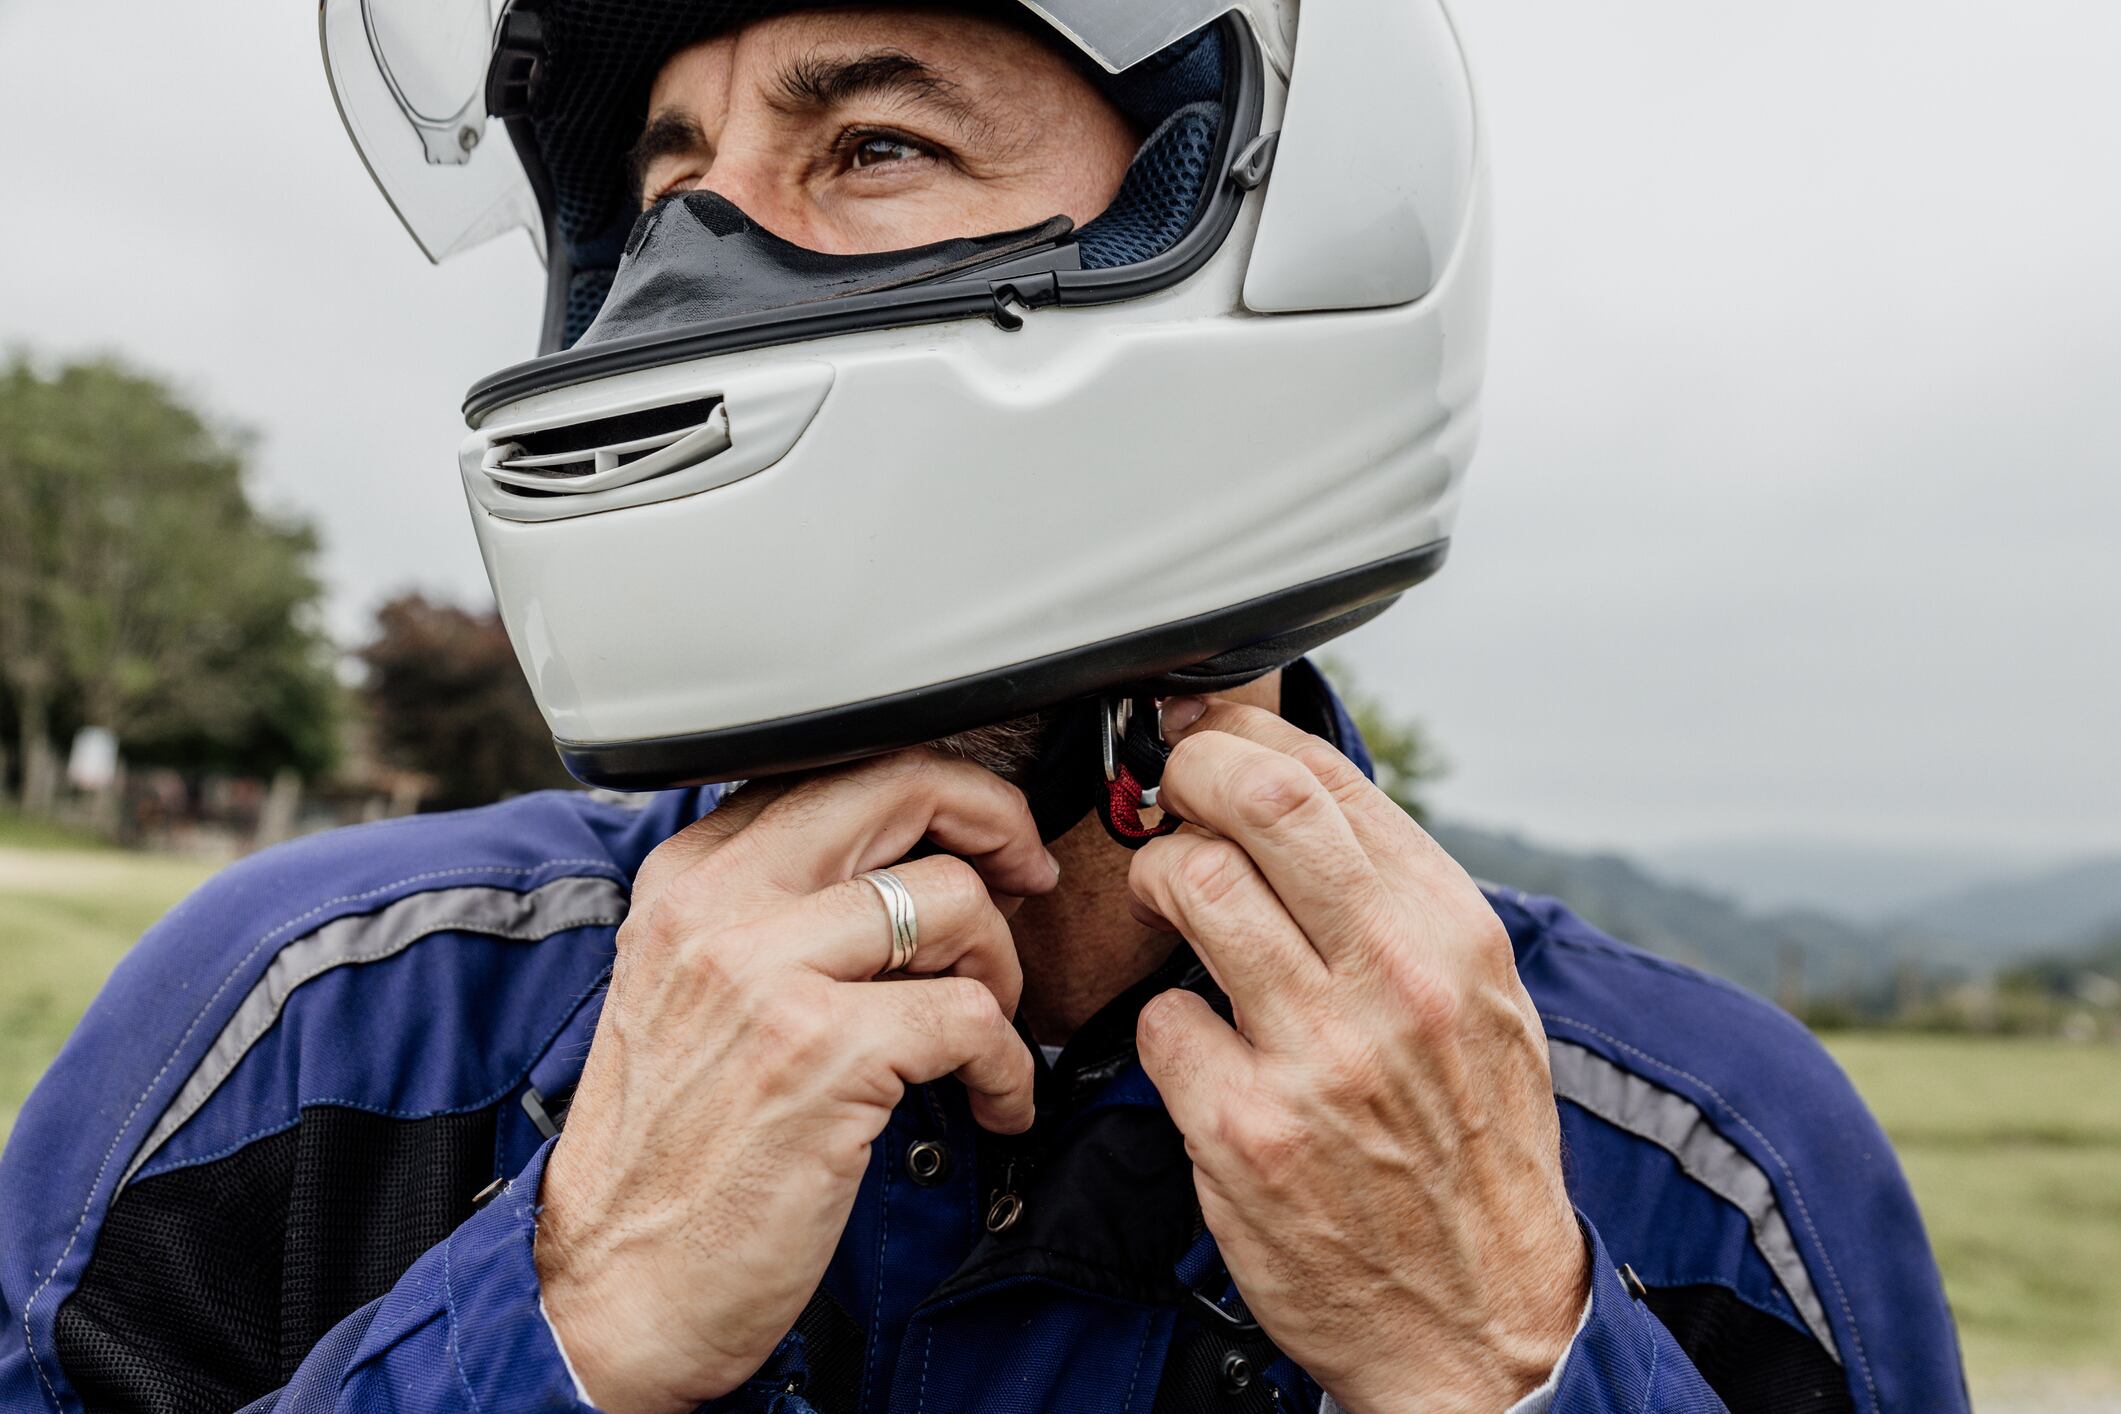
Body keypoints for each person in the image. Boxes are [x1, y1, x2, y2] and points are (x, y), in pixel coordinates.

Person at [0, 3, 1968, 1412]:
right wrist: (563, 1324)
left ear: (1248, 229)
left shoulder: (1694, 1158)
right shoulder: (297, 1026)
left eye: (867, 144)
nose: (686, 270)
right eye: (664, 183)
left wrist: (1503, 1360)